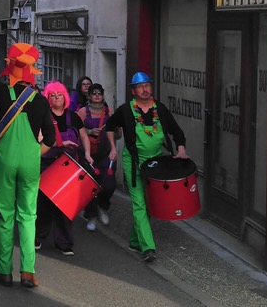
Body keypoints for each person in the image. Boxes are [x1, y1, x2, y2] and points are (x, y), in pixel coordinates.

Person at [0, 41, 55, 288]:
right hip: (30, 161)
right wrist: (36, 153)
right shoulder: (41, 100)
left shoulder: (3, 93)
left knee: (6, 216)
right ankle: (28, 272)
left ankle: (4, 272)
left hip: (5, 159)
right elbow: (51, 139)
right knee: (28, 216)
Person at [105, 72, 188, 263]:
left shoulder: (160, 109)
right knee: (139, 203)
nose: (145, 89)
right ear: (133, 91)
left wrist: (181, 148)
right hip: (133, 161)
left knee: (151, 203)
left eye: (147, 85)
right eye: (140, 87)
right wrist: (112, 148)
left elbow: (176, 131)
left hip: (156, 162)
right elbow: (109, 126)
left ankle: (135, 240)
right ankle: (148, 248)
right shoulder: (126, 110)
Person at [35, 81, 92, 256]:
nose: (57, 98)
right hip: (47, 164)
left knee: (65, 205)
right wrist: (59, 143)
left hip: (69, 166)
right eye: (52, 95)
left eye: (59, 94)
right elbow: (39, 140)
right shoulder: (43, 116)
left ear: (65, 97)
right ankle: (38, 237)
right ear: (48, 98)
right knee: (43, 204)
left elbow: (84, 137)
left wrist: (88, 154)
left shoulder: (74, 117)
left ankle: (64, 243)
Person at [78, 83, 118, 231]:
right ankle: (91, 216)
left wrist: (113, 136)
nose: (96, 96)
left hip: (106, 155)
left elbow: (117, 134)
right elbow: (76, 132)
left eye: (99, 93)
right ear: (89, 96)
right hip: (88, 155)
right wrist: (88, 132)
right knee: (89, 187)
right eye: (93, 93)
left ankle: (103, 206)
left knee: (109, 185)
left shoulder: (110, 112)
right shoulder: (82, 112)